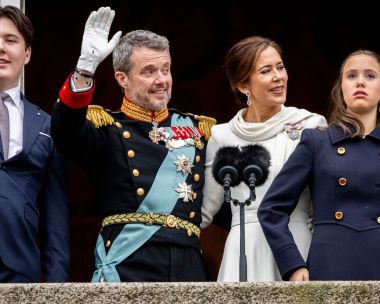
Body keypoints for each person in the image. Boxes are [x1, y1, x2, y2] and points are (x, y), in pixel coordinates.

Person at [51, 7, 215, 282]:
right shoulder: (106, 130)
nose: (161, 80)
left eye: (165, 69)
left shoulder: (198, 130)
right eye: (149, 71)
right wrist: (85, 69)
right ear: (122, 79)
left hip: (188, 266)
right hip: (129, 265)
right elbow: (65, 131)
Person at [200, 36, 327, 282]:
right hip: (243, 249)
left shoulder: (311, 125)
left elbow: (324, 201)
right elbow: (206, 211)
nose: (279, 76)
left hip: (296, 246)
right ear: (243, 85)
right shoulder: (221, 135)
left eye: (280, 67)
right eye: (266, 71)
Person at [258, 49, 380, 281]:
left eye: (370, 76)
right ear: (341, 88)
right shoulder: (317, 141)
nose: (361, 82)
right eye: (352, 76)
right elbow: (271, 209)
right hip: (332, 263)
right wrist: (292, 263)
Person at [0, 6, 70, 282]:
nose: (1, 48)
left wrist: (58, 290)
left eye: (11, 40)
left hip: (21, 271)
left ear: (27, 54)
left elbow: (56, 218)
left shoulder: (46, 125)